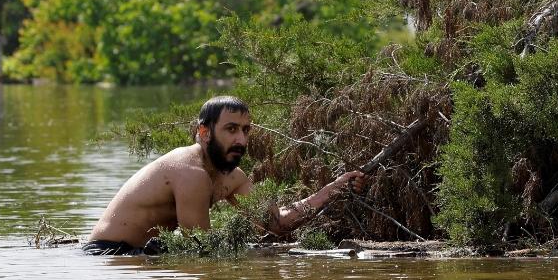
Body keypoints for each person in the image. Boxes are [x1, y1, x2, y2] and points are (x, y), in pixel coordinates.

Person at [84, 96, 364, 255]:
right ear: (204, 132)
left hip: (142, 254)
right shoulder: (190, 172)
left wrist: (334, 188)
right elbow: (202, 250)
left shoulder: (234, 177)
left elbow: (277, 224)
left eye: (245, 130)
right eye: (231, 129)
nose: (241, 139)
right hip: (109, 256)